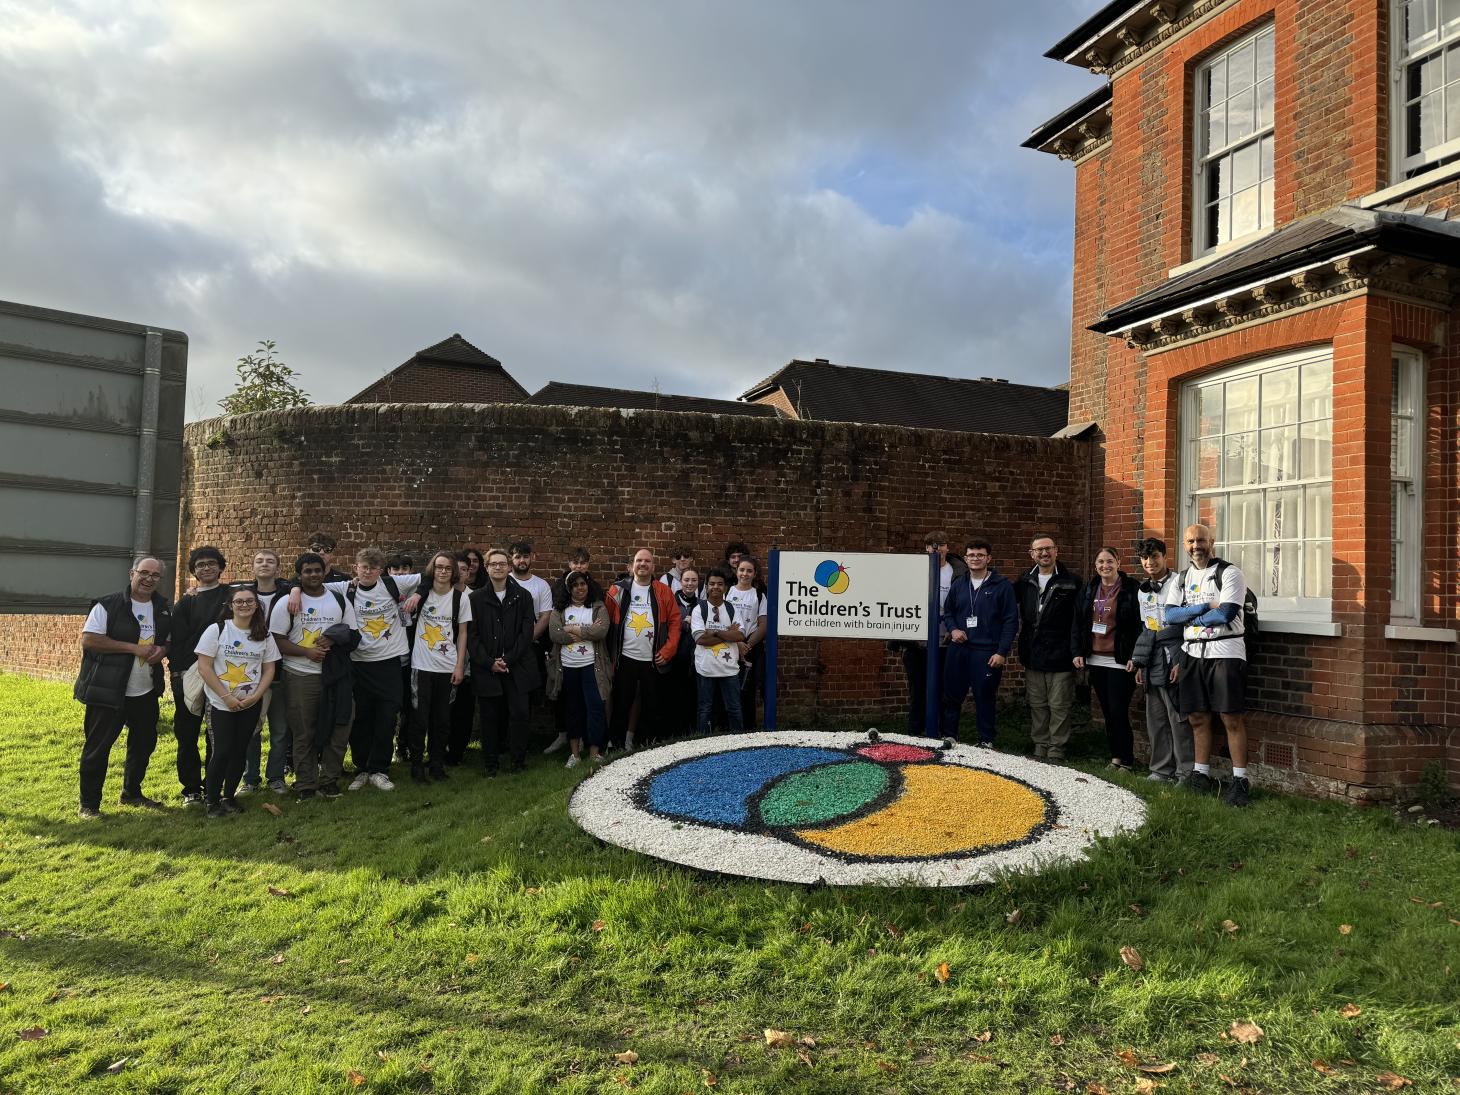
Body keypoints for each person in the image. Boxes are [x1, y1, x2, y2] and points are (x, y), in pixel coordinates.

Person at [298, 547, 420, 793]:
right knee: (360, 719)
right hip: (357, 663)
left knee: (387, 718)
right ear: (356, 567)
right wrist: (292, 589)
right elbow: (309, 584)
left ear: (381, 570)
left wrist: (418, 595)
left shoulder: (392, 584)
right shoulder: (345, 588)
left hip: (389, 662)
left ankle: (379, 770)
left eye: (373, 568)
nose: (368, 572)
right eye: (364, 567)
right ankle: (362, 768)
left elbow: (429, 576)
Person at [74, 556, 173, 818]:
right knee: (98, 747)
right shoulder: (108, 605)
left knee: (143, 744)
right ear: (132, 574)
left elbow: (169, 641)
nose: (149, 579)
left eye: (155, 575)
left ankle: (132, 793)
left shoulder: (163, 608)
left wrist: (162, 649)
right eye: (144, 573)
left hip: (145, 691)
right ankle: (89, 804)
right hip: (108, 691)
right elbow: (90, 640)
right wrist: (133, 648)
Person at [1162, 524, 1252, 807]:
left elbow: (1225, 613)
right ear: (1184, 544)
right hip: (1192, 654)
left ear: (1212, 541)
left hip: (1225, 652)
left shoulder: (1230, 573)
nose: (1196, 545)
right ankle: (1200, 775)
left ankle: (1240, 781)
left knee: (1230, 717)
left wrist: (1190, 617)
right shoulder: (1182, 577)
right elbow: (1170, 616)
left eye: (1201, 540)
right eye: (1190, 541)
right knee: (1197, 717)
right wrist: (1201, 610)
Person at [268, 552, 359, 800]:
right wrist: (306, 652)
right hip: (300, 675)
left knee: (340, 727)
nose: (313, 575)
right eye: (307, 571)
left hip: (336, 675)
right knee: (304, 732)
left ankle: (329, 781)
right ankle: (306, 784)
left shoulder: (338, 600)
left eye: (317, 570)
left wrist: (333, 638)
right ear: (300, 575)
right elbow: (276, 640)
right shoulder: (286, 602)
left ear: (325, 572)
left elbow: (353, 634)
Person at [195, 587, 280, 818]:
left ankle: (229, 797)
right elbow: (204, 667)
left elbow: (269, 669)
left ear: (256, 606)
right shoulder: (218, 630)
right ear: (231, 605)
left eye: (249, 601)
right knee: (221, 751)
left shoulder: (265, 635)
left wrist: (256, 696)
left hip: (250, 704)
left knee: (239, 751)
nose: (244, 605)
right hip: (221, 703)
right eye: (239, 601)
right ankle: (212, 801)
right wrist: (227, 697)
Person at [168, 546, 231, 806]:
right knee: (187, 733)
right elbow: (178, 642)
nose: (206, 568)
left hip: (222, 674)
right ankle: (191, 788)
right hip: (189, 674)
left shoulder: (232, 595)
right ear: (193, 570)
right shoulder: (186, 602)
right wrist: (181, 674)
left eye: (211, 563)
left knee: (217, 734)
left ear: (220, 566)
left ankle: (214, 786)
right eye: (200, 565)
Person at [468, 548, 540, 775]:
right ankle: (491, 763)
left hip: (517, 666)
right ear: (487, 568)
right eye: (493, 564)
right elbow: (471, 636)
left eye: (502, 563)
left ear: (509, 567)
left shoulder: (523, 597)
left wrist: (507, 659)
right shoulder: (475, 599)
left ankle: (518, 761)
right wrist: (489, 662)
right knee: (489, 717)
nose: (498, 567)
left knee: (519, 714)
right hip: (486, 668)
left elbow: (526, 632)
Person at [940, 539, 1018, 748]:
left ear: (988, 558)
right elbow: (949, 612)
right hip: (959, 649)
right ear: (965, 559)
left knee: (984, 698)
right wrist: (954, 629)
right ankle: (950, 737)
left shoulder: (1002, 586)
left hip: (986, 651)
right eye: (971, 555)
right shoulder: (958, 584)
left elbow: (1011, 621)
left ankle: (986, 740)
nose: (975, 559)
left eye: (980, 555)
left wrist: (1002, 652)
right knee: (952, 696)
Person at [1013, 534, 1082, 761]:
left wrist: (1076, 650)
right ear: (1031, 554)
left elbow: (1079, 621)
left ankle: (1056, 749)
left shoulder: (1072, 582)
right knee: (1038, 704)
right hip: (1033, 654)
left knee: (1059, 705)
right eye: (1039, 550)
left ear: (1056, 551)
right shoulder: (1024, 581)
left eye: (1048, 549)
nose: (1044, 553)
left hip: (1061, 654)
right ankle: (1040, 745)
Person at [606, 548, 683, 751]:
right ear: (632, 565)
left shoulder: (663, 591)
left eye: (647, 561)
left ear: (653, 566)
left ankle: (649, 746)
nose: (643, 564)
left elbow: (675, 622)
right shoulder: (617, 590)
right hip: (625, 658)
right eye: (639, 560)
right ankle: (616, 744)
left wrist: (668, 651)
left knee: (653, 705)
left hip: (654, 659)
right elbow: (606, 623)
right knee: (622, 703)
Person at [1072, 547, 1141, 772]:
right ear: (1095, 565)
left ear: (1118, 562)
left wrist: (1137, 656)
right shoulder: (1090, 589)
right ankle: (1116, 758)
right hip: (1095, 659)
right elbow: (1079, 623)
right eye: (1101, 562)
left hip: (1120, 660)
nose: (1105, 566)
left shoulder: (1131, 589)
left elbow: (1140, 626)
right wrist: (1078, 651)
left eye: (1110, 561)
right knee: (1107, 712)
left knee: (1118, 710)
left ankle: (1128, 760)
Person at [1130, 538, 1192, 784]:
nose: (1149, 562)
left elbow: (1189, 623)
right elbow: (1146, 627)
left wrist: (1183, 659)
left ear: (1165, 556)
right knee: (1155, 718)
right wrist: (1139, 661)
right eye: (1145, 559)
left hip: (1175, 650)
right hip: (1152, 655)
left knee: (1178, 717)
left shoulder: (1181, 584)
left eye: (1154, 556)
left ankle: (1185, 772)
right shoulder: (1141, 591)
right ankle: (1160, 770)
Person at [409, 551, 471, 782]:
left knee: (442, 721)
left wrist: (459, 666)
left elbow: (463, 634)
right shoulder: (422, 594)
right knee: (419, 719)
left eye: (447, 568)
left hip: (447, 667)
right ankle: (416, 766)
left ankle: (436, 765)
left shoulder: (460, 598)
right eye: (439, 567)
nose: (443, 572)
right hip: (421, 666)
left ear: (453, 571)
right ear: (432, 570)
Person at [895, 532, 964, 736]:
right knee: (918, 692)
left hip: (947, 643)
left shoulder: (959, 572)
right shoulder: (914, 571)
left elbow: (964, 605)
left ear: (947, 548)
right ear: (925, 549)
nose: (936, 549)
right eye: (931, 546)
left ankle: (944, 735)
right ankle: (915, 734)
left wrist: (955, 630)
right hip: (918, 644)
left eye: (940, 545)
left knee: (945, 693)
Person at [237, 549, 293, 794]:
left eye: (270, 561)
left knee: (280, 729)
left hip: (280, 672)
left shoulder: (289, 592)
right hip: (249, 673)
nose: (264, 565)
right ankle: (250, 779)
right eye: (259, 560)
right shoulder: (242, 595)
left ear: (277, 567)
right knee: (251, 729)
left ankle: (276, 777)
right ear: (252, 566)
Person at [546, 571, 612, 767]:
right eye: (575, 585)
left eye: (583, 583)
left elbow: (601, 631)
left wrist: (573, 629)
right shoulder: (560, 609)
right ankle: (574, 754)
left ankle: (594, 752)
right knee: (573, 709)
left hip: (592, 667)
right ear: (569, 588)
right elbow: (554, 634)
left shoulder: (597, 606)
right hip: (567, 667)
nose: (580, 588)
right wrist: (587, 633)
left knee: (595, 708)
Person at [690, 568, 745, 733]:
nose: (716, 587)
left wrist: (715, 632)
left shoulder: (732, 609)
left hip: (730, 670)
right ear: (706, 586)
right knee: (705, 709)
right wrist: (728, 633)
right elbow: (700, 639)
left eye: (720, 584)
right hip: (706, 669)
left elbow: (740, 635)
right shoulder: (699, 609)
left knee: (734, 709)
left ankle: (739, 743)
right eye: (712, 584)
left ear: (725, 587)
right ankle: (703, 743)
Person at [726, 557, 769, 731]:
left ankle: (749, 729)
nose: (745, 573)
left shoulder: (759, 595)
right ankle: (727, 728)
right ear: (736, 571)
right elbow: (722, 621)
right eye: (742, 570)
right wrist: (737, 644)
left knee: (748, 690)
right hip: (729, 645)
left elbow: (764, 625)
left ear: (754, 574)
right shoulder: (727, 592)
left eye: (749, 571)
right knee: (729, 687)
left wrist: (746, 645)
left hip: (751, 647)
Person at [445, 551, 479, 763]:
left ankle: (457, 752)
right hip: (441, 659)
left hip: (467, 662)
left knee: (463, 710)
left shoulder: (475, 597)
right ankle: (440, 748)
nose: (460, 574)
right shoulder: (439, 595)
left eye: (464, 570)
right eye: (457, 570)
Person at [668, 565, 703, 736]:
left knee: (693, 696)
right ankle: (675, 732)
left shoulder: (702, 605)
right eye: (686, 580)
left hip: (695, 660)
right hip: (676, 658)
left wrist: (694, 621)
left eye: (694, 580)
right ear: (680, 582)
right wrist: (684, 623)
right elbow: (668, 625)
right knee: (675, 696)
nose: (690, 583)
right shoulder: (671, 602)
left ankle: (692, 732)